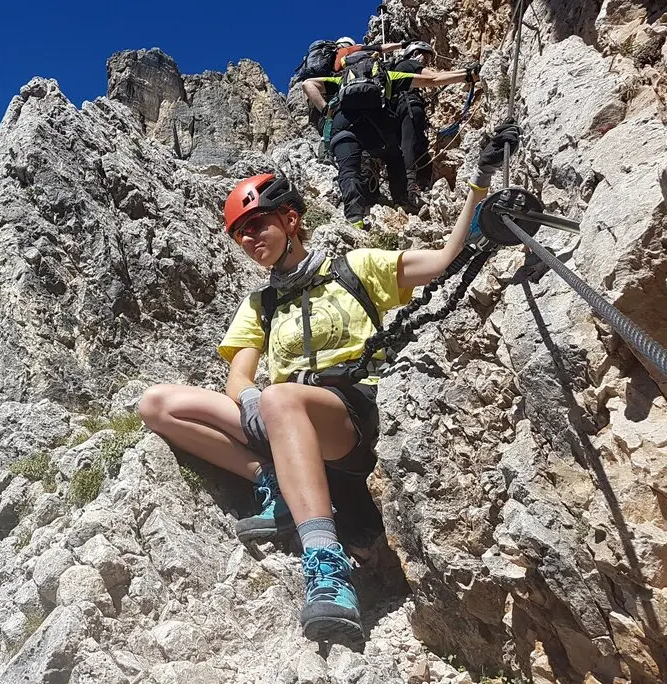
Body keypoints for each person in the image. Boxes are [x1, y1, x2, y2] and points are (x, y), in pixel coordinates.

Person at [137, 122, 521, 643]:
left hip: (349, 415)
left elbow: (443, 260)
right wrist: (248, 398)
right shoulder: (261, 303)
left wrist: (479, 182)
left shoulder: (354, 268)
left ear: (290, 219)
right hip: (281, 413)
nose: (250, 239)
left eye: (257, 224)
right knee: (158, 404)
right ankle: (273, 483)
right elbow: (239, 375)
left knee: (280, 396)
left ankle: (327, 567)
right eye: (241, 233)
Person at [302, 61, 480, 228]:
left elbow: (307, 84)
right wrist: (467, 75)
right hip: (377, 128)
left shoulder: (341, 80)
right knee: (395, 157)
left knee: (348, 170)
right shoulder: (388, 76)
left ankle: (354, 218)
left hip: (343, 126)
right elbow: (432, 79)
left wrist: (326, 110)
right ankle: (401, 199)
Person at [390, 41, 440, 204]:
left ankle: (421, 182)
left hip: (401, 109)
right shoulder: (408, 64)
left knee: (419, 143)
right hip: (409, 105)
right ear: (414, 54)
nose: (425, 61)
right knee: (410, 143)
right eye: (424, 57)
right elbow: (432, 76)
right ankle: (410, 186)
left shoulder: (398, 69)